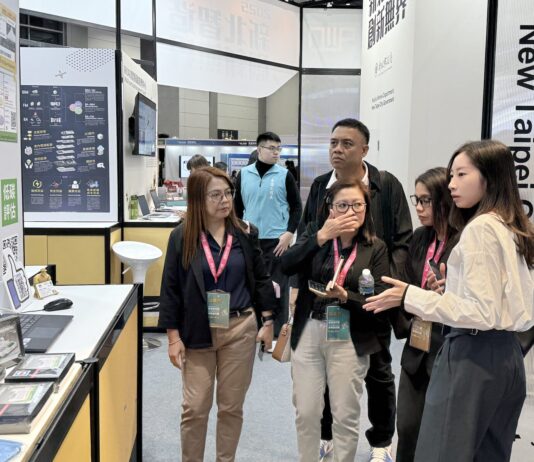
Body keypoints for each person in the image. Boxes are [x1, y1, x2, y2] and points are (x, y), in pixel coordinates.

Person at [364, 140, 534, 461]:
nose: (452, 184)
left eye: (461, 174)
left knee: (443, 452)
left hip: (472, 355)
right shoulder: (513, 225)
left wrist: (409, 295)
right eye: (452, 175)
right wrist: (452, 292)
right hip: (507, 357)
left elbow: (479, 312)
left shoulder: (481, 228)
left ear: (489, 177)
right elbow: (505, 301)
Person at [300, 118, 412, 462]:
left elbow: (403, 240)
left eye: (346, 143)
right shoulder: (321, 186)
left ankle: (381, 441)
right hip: (327, 300)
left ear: (364, 149)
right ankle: (326, 436)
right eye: (333, 142)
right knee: (325, 370)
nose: (337, 149)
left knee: (378, 370)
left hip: (370, 299)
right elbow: (308, 235)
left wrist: (383, 287)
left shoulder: (385, 185)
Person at [158, 167, 277, 462]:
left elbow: (261, 278)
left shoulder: (245, 233)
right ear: (198, 199)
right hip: (197, 329)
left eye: (228, 193)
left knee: (231, 407)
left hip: (240, 328)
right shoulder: (181, 237)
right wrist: (173, 338)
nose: (224, 200)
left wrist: (268, 321)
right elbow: (170, 289)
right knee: (195, 407)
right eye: (215, 195)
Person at [282, 180, 391, 462]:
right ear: (330, 208)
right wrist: (320, 237)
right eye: (342, 205)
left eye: (357, 205)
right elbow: (285, 264)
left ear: (366, 209)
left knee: (345, 414)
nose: (350, 211)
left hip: (350, 334)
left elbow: (379, 299)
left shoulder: (375, 247)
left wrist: (346, 296)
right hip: (309, 330)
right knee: (306, 411)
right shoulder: (315, 235)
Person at [394, 167, 458, 462]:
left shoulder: (463, 241)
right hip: (417, 342)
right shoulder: (420, 237)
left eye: (425, 200)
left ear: (444, 200)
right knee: (407, 427)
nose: (418, 208)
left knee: (439, 432)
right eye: (416, 200)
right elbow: (406, 283)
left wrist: (444, 291)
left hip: (449, 347)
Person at [235, 132, 302, 335]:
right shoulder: (243, 174)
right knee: (252, 285)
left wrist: (289, 233)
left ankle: (276, 334)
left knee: (278, 288)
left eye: (278, 149)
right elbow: (237, 208)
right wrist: (238, 232)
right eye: (272, 148)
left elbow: (297, 208)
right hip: (250, 240)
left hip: (277, 241)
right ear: (259, 149)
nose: (276, 152)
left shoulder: (284, 175)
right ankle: (254, 329)